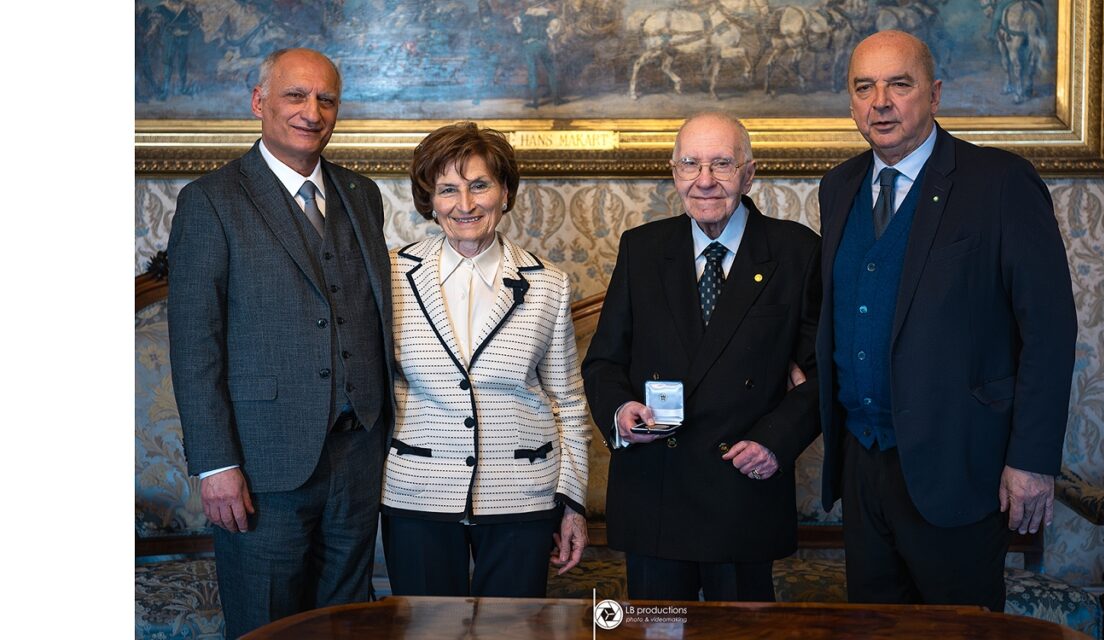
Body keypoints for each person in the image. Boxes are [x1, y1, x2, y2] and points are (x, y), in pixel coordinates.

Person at [816, 30, 1076, 612]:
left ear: (933, 95)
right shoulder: (838, 187)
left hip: (959, 466)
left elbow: (1050, 331)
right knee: (873, 629)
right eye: (865, 87)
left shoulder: (1000, 183)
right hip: (863, 464)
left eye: (898, 84)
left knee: (960, 632)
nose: (880, 101)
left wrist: (1032, 460)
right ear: (852, 103)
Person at [168, 48, 392, 637]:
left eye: (325, 99)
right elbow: (196, 347)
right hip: (263, 464)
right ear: (259, 102)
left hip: (358, 455)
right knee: (267, 624)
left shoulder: (362, 195)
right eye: (295, 96)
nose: (311, 112)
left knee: (346, 623)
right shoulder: (210, 201)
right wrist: (216, 465)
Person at [582, 112, 820, 602]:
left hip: (742, 487)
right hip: (656, 491)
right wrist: (621, 411)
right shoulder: (642, 249)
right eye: (690, 164)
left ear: (750, 173)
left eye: (721, 164)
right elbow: (603, 362)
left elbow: (823, 375)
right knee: (657, 633)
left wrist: (774, 443)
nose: (705, 181)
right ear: (674, 172)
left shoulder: (796, 251)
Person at [380, 122, 590, 597]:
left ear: (506, 192)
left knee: (513, 630)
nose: (466, 204)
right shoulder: (390, 274)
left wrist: (573, 502)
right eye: (448, 189)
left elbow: (568, 401)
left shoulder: (548, 284)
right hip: (418, 490)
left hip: (521, 495)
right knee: (425, 630)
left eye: (480, 185)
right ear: (429, 199)